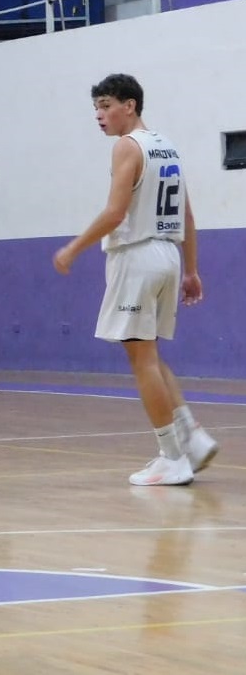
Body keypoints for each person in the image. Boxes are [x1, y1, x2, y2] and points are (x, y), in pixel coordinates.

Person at [53, 74, 218, 486]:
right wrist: (192, 269)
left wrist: (73, 248)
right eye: (96, 107)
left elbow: (114, 214)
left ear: (130, 105)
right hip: (167, 256)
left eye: (106, 105)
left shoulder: (127, 147)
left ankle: (171, 456)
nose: (99, 114)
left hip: (137, 255)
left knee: (141, 359)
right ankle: (191, 438)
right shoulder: (167, 145)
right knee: (151, 354)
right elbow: (188, 216)